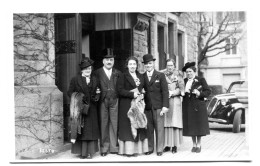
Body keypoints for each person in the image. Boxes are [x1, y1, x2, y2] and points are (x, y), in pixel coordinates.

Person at [67, 57, 100, 159]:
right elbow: (69, 92)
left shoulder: (95, 79)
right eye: (86, 69)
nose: (88, 70)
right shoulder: (75, 79)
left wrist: (97, 96)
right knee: (81, 130)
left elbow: (97, 92)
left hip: (92, 109)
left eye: (89, 68)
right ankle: (82, 152)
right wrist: (79, 98)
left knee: (91, 131)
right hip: (80, 109)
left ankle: (90, 152)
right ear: (82, 69)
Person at [116, 56, 149, 157]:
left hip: (138, 104)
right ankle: (128, 151)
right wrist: (132, 94)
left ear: (137, 65)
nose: (132, 66)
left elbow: (143, 88)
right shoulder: (123, 76)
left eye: (134, 64)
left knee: (138, 124)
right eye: (130, 64)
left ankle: (137, 149)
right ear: (127, 65)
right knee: (127, 126)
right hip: (126, 104)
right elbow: (119, 90)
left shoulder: (141, 76)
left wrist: (142, 93)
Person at [93, 48, 121, 156]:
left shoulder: (118, 73)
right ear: (103, 61)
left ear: (113, 61)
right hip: (102, 101)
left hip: (114, 100)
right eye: (107, 60)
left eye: (111, 60)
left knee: (114, 123)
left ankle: (114, 147)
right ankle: (104, 148)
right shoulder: (97, 73)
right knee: (103, 124)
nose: (109, 62)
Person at [142, 54, 169, 156]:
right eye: (146, 64)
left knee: (159, 128)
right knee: (149, 128)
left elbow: (165, 92)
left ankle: (159, 149)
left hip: (159, 106)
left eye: (150, 63)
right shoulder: (142, 76)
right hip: (147, 107)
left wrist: (165, 106)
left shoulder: (160, 75)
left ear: (153, 63)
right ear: (144, 65)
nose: (148, 65)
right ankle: (150, 148)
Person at [182, 62, 211, 153]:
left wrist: (199, 94)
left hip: (198, 106)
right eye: (187, 72)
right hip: (188, 106)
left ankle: (198, 145)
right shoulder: (184, 81)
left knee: (198, 126)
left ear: (194, 71)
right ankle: (193, 144)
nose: (188, 73)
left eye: (190, 71)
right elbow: (182, 92)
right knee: (191, 126)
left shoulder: (201, 80)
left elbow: (208, 91)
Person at [161, 59, 185, 154]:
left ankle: (174, 145)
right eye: (168, 65)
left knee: (174, 123)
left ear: (174, 66)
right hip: (166, 101)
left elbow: (182, 89)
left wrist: (173, 92)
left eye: (171, 65)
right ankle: (167, 144)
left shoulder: (178, 76)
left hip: (175, 101)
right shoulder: (162, 75)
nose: (169, 67)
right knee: (166, 123)